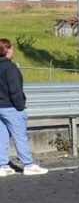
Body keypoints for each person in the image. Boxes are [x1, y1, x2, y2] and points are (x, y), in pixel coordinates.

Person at [0, 38, 47, 175]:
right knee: (20, 136)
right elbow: (15, 90)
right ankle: (28, 165)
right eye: (12, 48)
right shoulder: (11, 68)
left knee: (2, 136)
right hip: (12, 107)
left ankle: (2, 165)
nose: (13, 50)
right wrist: (20, 107)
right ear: (7, 50)